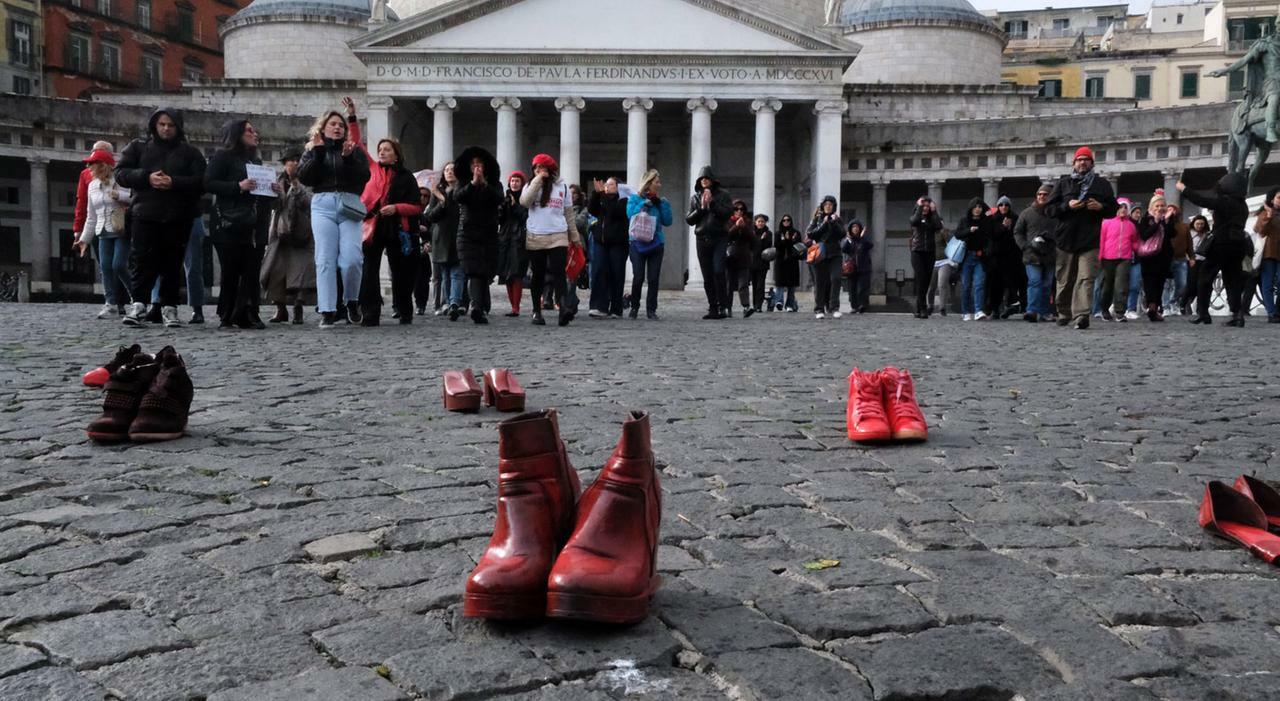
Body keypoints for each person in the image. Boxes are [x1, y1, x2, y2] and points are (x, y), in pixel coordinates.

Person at [114, 107, 207, 328]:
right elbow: (120, 173)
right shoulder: (138, 147)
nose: (166, 128)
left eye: (171, 125)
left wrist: (174, 182)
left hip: (178, 215)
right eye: (162, 124)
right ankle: (138, 304)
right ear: (154, 125)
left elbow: (202, 182)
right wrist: (146, 178)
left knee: (172, 263)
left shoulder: (191, 153)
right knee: (142, 260)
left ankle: (170, 307)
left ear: (178, 127)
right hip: (145, 213)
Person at [296, 104, 370, 328]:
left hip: (349, 203)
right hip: (323, 203)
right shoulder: (312, 150)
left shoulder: (354, 149)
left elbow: (364, 176)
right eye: (333, 124)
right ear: (323, 128)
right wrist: (318, 154)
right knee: (325, 259)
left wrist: (348, 159)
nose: (337, 128)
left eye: (341, 125)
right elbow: (306, 177)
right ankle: (327, 310)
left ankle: (351, 300)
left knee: (352, 259)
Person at [204, 119, 279, 330]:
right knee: (231, 269)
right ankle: (228, 313)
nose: (254, 134)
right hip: (229, 221)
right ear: (237, 134)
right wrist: (238, 186)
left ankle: (248, 311)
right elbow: (209, 183)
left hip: (253, 223)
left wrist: (273, 190)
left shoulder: (256, 164)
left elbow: (261, 196)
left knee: (251, 269)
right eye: (249, 131)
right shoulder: (223, 157)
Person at [1044, 146, 1117, 330]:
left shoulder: (1102, 184)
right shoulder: (1063, 183)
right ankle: (1063, 312)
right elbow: (1049, 210)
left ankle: (1081, 315)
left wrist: (1100, 207)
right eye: (1079, 159)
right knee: (1064, 280)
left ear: (1092, 163)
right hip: (1065, 240)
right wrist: (1066, 206)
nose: (1082, 162)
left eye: (1086, 159)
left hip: (1089, 240)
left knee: (1086, 279)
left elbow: (1114, 209)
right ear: (1073, 163)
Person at [354, 135, 421, 326]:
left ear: (396, 155)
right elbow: (359, 145)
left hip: (397, 227)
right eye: (380, 149)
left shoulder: (406, 177)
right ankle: (370, 312)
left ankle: (404, 309)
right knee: (369, 270)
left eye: (387, 149)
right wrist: (351, 117)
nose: (382, 152)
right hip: (374, 225)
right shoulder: (373, 170)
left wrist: (396, 208)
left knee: (400, 271)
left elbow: (416, 207)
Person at [1179, 173, 1251, 326]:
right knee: (1233, 280)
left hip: (1221, 244)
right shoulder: (1243, 205)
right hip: (1238, 245)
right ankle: (1237, 314)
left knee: (1205, 277)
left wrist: (1184, 189)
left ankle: (1203, 313)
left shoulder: (1226, 201)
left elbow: (1202, 201)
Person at [519, 154, 581, 326]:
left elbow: (568, 213)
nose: (539, 171)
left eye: (543, 168)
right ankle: (536, 311)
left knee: (559, 272)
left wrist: (574, 237)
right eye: (536, 168)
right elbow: (524, 202)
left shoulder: (562, 187)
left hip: (558, 234)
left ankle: (563, 309)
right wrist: (537, 180)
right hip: (536, 234)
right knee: (538, 274)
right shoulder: (530, 185)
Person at [73, 148, 132, 319]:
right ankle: (110, 303)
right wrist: (84, 239)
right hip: (102, 230)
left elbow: (133, 197)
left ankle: (136, 298)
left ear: (102, 165)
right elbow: (91, 216)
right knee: (105, 267)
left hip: (120, 229)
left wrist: (119, 195)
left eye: (92, 164)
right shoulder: (92, 186)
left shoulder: (120, 179)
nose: (89, 167)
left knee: (119, 265)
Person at [261, 148, 315, 325]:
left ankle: (298, 306)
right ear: (284, 164)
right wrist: (275, 193)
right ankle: (280, 308)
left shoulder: (308, 180)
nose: (295, 163)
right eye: (291, 160)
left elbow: (309, 202)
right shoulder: (277, 180)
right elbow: (273, 206)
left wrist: (296, 185)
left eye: (297, 159)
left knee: (300, 272)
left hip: (302, 231)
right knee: (276, 271)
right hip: (280, 232)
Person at [454, 146, 503, 324]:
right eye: (473, 164)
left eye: (479, 164)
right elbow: (458, 197)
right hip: (467, 232)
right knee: (473, 270)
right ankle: (475, 306)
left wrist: (484, 185)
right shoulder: (463, 183)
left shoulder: (494, 184)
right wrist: (473, 185)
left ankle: (480, 307)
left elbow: (499, 198)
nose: (476, 167)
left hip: (489, 232)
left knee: (486, 271)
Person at [686, 165, 734, 319]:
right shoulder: (695, 197)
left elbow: (727, 214)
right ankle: (713, 306)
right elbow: (689, 219)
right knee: (707, 275)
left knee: (719, 271)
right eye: (701, 179)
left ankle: (723, 305)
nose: (704, 181)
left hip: (719, 237)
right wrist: (701, 209)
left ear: (712, 180)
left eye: (707, 178)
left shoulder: (723, 195)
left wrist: (712, 204)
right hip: (702, 238)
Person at [625, 169, 672, 320]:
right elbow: (630, 214)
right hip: (637, 242)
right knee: (638, 277)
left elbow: (668, 221)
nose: (659, 184)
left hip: (656, 243)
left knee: (653, 278)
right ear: (649, 183)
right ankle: (634, 307)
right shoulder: (634, 199)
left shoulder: (661, 201)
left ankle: (651, 309)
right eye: (657, 182)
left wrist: (662, 205)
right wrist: (643, 204)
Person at [1013, 184, 1057, 322]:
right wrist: (1025, 246)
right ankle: (1032, 310)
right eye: (1040, 194)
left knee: (1047, 285)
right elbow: (1018, 231)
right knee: (1035, 282)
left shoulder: (1055, 213)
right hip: (1031, 254)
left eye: (1045, 194)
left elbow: (1062, 232)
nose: (1042, 197)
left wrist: (1052, 239)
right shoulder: (1027, 213)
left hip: (1050, 254)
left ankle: (1044, 311)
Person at [588, 177, 630, 318]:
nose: (606, 186)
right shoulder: (602, 198)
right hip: (601, 241)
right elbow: (592, 210)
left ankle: (616, 308)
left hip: (618, 243)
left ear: (618, 186)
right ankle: (598, 306)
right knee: (599, 272)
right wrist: (595, 194)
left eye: (610, 184)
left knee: (616, 274)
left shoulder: (624, 200)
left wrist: (603, 196)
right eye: (606, 184)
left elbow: (614, 212)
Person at [426, 163, 463, 318]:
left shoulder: (462, 191)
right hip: (441, 237)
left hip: (459, 235)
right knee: (445, 273)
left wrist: (443, 198)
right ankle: (447, 302)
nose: (449, 173)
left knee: (457, 272)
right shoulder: (437, 192)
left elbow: (456, 210)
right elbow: (431, 216)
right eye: (447, 170)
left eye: (453, 170)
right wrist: (441, 200)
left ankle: (454, 302)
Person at [1137, 193, 1175, 322]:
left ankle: (1156, 307)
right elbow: (1144, 235)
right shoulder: (1145, 219)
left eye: (1162, 205)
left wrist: (1167, 221)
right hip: (1149, 257)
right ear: (1151, 207)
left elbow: (1172, 234)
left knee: (1160, 283)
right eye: (1157, 205)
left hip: (1163, 256)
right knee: (1150, 283)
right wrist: (1157, 222)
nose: (1160, 208)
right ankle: (1151, 306)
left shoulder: (1168, 218)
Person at [1097, 198, 1137, 322]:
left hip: (1124, 258)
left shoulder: (1131, 225)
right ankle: (1104, 309)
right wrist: (1100, 256)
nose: (1123, 210)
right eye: (1120, 207)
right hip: (1108, 257)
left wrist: (1139, 249)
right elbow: (1102, 240)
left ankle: (1120, 312)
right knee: (1107, 286)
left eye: (1125, 208)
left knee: (1121, 286)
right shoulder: (1106, 222)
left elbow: (1134, 242)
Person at [496, 171, 529, 317]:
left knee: (516, 273)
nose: (514, 183)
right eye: (512, 181)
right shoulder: (504, 198)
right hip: (504, 238)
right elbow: (499, 219)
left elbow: (525, 217)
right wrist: (502, 208)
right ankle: (512, 306)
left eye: (517, 181)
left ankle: (516, 307)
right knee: (506, 274)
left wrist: (515, 206)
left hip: (518, 238)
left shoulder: (525, 199)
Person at [806, 195, 844, 319]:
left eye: (831, 204)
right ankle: (819, 309)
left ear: (834, 206)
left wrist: (833, 223)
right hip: (820, 254)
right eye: (826, 204)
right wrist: (824, 223)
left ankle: (834, 307)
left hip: (835, 254)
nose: (828, 206)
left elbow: (842, 234)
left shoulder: (837, 219)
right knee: (820, 282)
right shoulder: (817, 219)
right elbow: (811, 234)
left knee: (836, 278)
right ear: (823, 206)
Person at [954, 197, 992, 321]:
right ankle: (965, 311)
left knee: (979, 284)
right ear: (971, 208)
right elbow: (957, 234)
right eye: (975, 206)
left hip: (980, 257)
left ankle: (978, 310)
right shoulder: (965, 220)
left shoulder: (985, 222)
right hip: (967, 257)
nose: (977, 209)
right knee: (966, 285)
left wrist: (985, 208)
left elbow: (989, 236)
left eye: (980, 207)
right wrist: (969, 231)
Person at [989, 196, 1025, 318]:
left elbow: (1019, 234)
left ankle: (1011, 306)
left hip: (1012, 257)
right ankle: (995, 309)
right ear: (998, 206)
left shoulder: (1015, 218)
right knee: (995, 284)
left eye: (1006, 205)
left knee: (1012, 283)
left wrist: (1009, 228)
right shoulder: (993, 219)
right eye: (1001, 205)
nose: (1003, 207)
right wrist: (1003, 227)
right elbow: (993, 236)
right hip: (996, 257)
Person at [908, 197, 943, 318]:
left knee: (926, 281)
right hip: (917, 252)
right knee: (921, 278)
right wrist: (919, 206)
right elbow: (914, 221)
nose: (926, 208)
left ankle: (918, 308)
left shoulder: (932, 219)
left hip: (930, 252)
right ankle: (923, 309)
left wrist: (934, 211)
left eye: (928, 206)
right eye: (924, 205)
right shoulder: (915, 217)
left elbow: (938, 226)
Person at [1252, 187, 1280, 322]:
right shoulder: (1265, 213)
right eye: (1279, 197)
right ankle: (1271, 312)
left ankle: (1277, 310)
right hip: (1269, 252)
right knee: (1267, 283)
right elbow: (1260, 231)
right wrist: (1269, 215)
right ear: (1272, 199)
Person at [726, 200, 756, 318]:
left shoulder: (748, 222)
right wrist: (735, 226)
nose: (739, 211)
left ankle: (746, 306)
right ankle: (727, 307)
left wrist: (744, 228)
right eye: (736, 209)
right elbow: (726, 236)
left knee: (743, 284)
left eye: (742, 209)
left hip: (744, 257)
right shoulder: (727, 221)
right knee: (728, 283)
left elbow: (753, 239)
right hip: (730, 256)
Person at [1163, 203, 1191, 316]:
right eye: (1168, 209)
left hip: (1180, 258)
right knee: (1166, 285)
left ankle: (1173, 302)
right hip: (1166, 258)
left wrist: (1192, 256)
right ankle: (1165, 306)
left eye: (1173, 210)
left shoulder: (1184, 226)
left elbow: (1189, 242)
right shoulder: (1163, 224)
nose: (1171, 212)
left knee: (1182, 284)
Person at [842, 220, 873, 314]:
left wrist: (862, 237)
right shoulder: (849, 240)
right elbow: (844, 249)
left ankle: (862, 305)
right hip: (851, 268)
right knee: (852, 288)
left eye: (857, 227)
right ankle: (854, 306)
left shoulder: (864, 239)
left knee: (862, 288)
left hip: (863, 267)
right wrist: (848, 239)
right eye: (853, 227)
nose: (855, 229)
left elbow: (870, 245)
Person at [1181, 214, 1210, 315]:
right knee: (1191, 285)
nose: (1200, 226)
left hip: (1203, 261)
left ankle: (1199, 308)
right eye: (1198, 224)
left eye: (1202, 224)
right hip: (1192, 261)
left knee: (1201, 286)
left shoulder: (1207, 234)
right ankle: (1182, 303)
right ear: (1193, 224)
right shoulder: (1189, 233)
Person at [773, 214, 802, 312]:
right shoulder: (778, 233)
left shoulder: (796, 233)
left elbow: (798, 246)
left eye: (788, 220)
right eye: (784, 220)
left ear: (791, 221)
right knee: (780, 283)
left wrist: (788, 240)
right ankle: (779, 302)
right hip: (781, 261)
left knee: (791, 284)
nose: (786, 222)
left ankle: (790, 304)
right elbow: (777, 245)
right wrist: (785, 240)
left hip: (792, 261)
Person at [413, 186, 433, 315]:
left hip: (424, 249)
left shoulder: (430, 212)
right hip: (409, 247)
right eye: (420, 195)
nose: (423, 198)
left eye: (426, 196)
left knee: (423, 279)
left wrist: (428, 241)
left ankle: (421, 305)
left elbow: (435, 230)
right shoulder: (411, 210)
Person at [750, 214, 773, 313]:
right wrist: (760, 240)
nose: (760, 223)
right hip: (752, 262)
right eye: (759, 221)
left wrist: (762, 240)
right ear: (755, 222)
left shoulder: (768, 233)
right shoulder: (751, 232)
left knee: (760, 285)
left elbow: (768, 246)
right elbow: (750, 246)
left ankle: (759, 305)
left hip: (763, 262)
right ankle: (755, 304)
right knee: (754, 284)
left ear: (765, 223)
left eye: (762, 221)